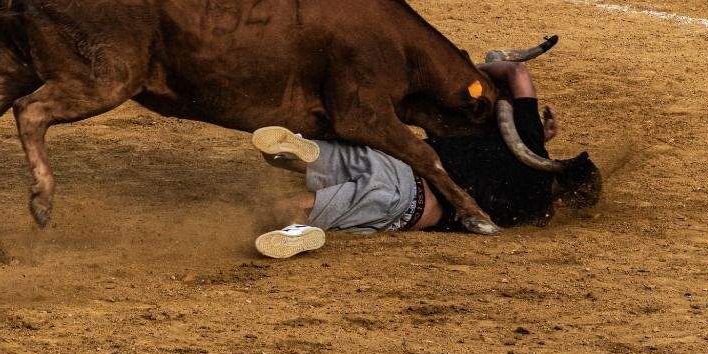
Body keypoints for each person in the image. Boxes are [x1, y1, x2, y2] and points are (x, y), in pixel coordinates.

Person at [250, 59, 600, 258]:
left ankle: (301, 154)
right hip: (405, 202)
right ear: (565, 200)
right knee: (290, 208)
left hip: (399, 158)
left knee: (333, 161)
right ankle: (299, 225)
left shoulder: (526, 138)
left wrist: (479, 69)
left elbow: (518, 74)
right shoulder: (535, 210)